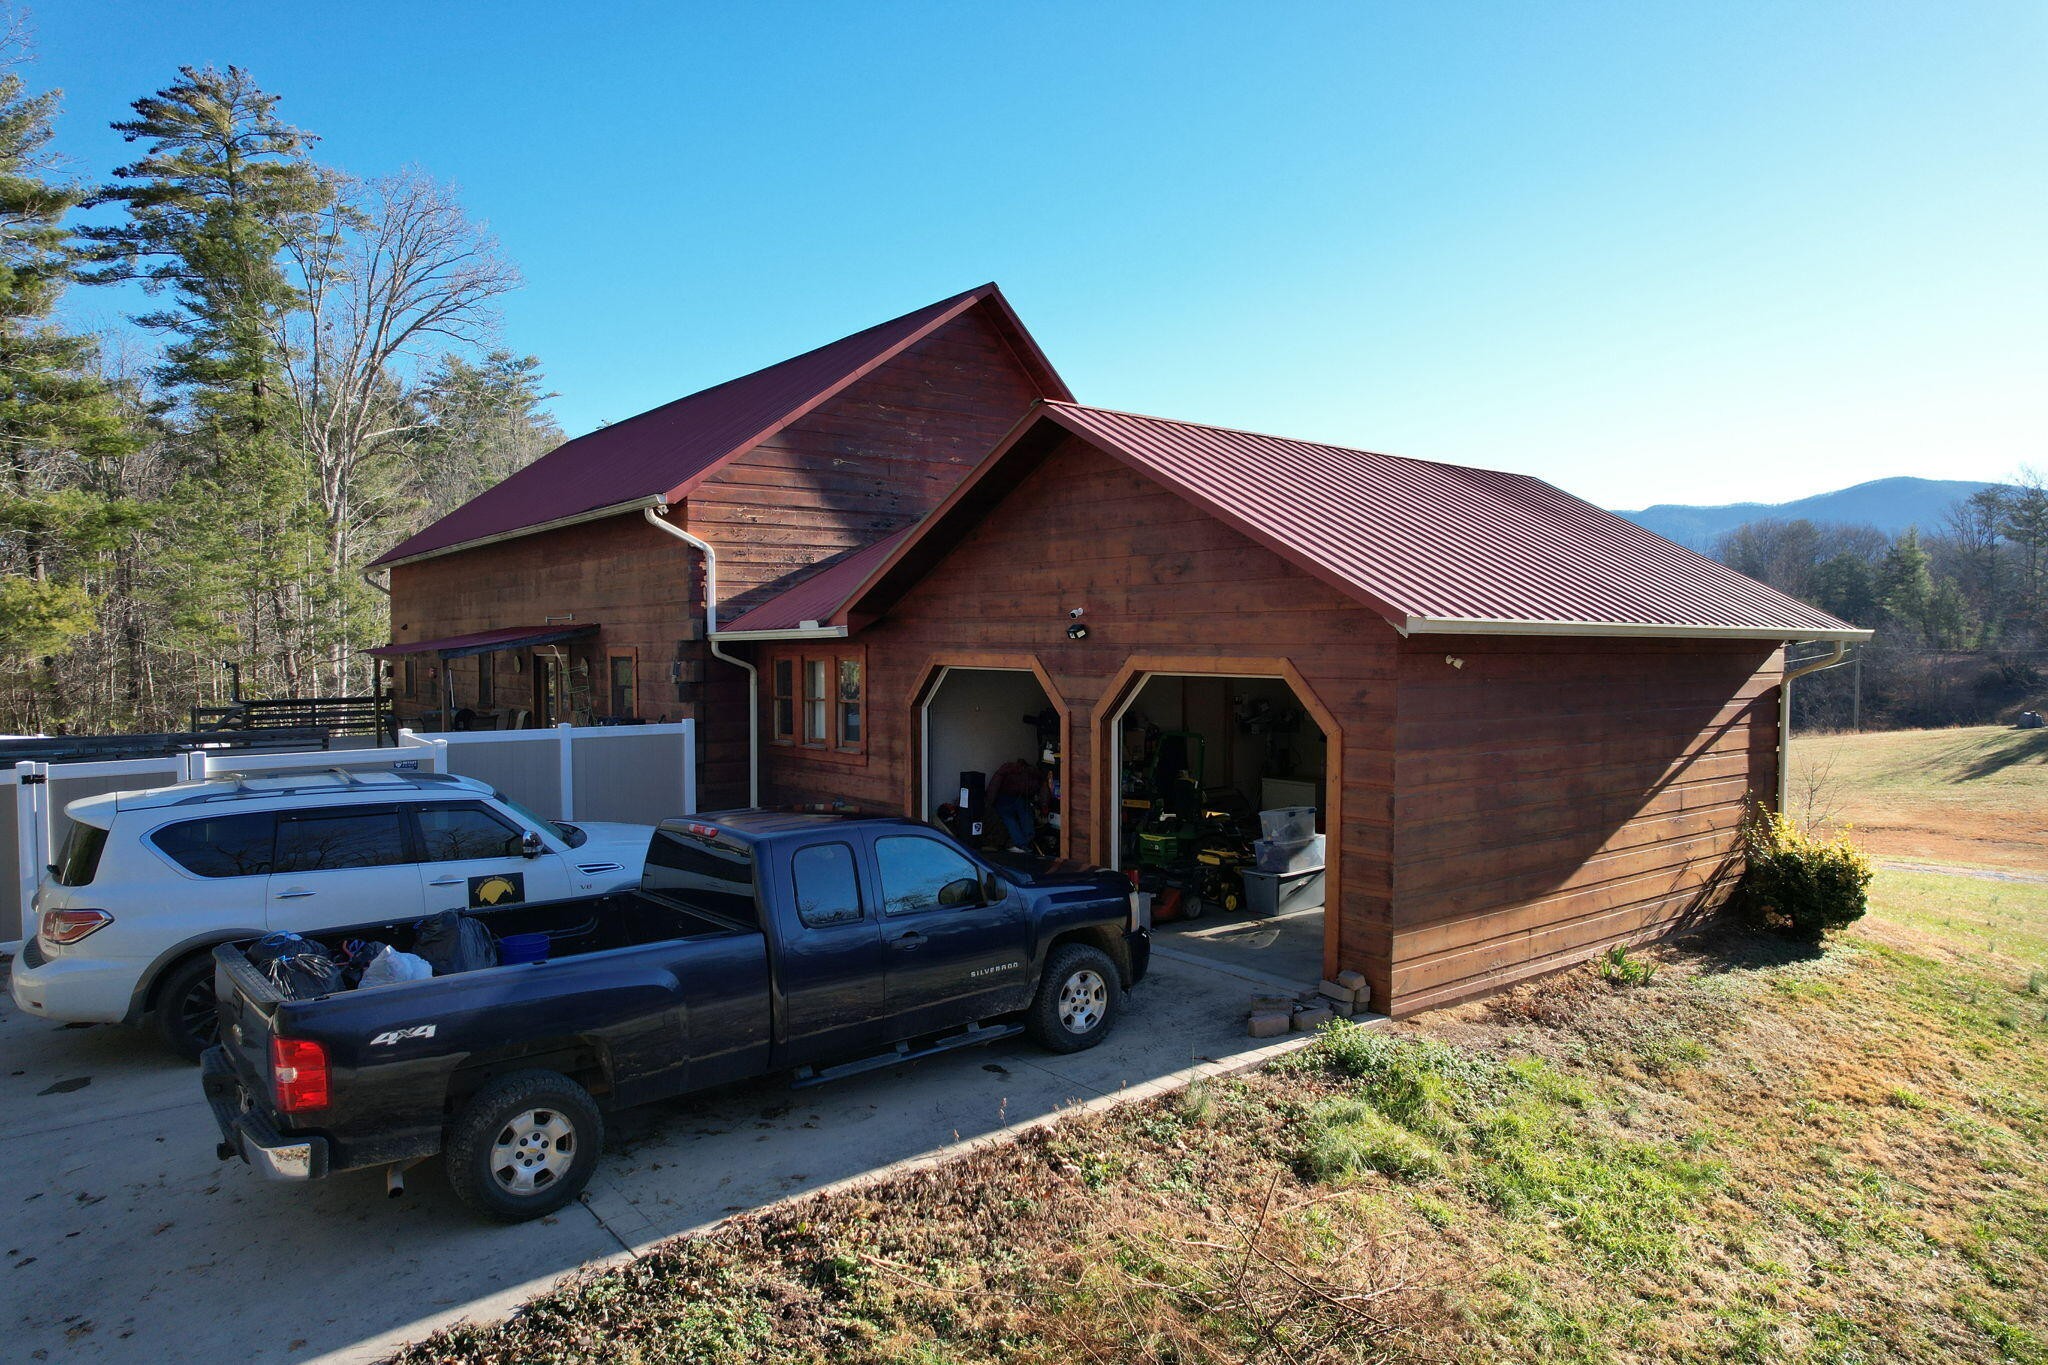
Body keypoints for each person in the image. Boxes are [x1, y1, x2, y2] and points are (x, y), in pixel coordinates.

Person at [988, 758, 1042, 852]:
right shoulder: (1032, 773)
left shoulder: (1007, 768)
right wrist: (1043, 804)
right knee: (1024, 815)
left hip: (1005, 798)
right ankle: (1026, 841)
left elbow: (994, 785)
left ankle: (1021, 844)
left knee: (1010, 819)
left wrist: (989, 802)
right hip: (1016, 798)